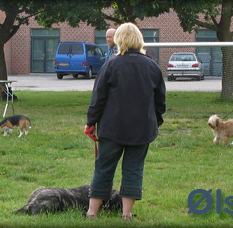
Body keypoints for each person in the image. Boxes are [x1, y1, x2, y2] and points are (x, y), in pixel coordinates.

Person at [84, 22, 166, 220]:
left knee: (103, 167)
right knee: (134, 169)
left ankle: (92, 212)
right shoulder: (152, 67)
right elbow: (160, 101)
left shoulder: (110, 65)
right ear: (139, 39)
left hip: (112, 129)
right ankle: (126, 215)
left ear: (119, 40)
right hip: (142, 130)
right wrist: (155, 122)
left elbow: (98, 98)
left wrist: (91, 122)